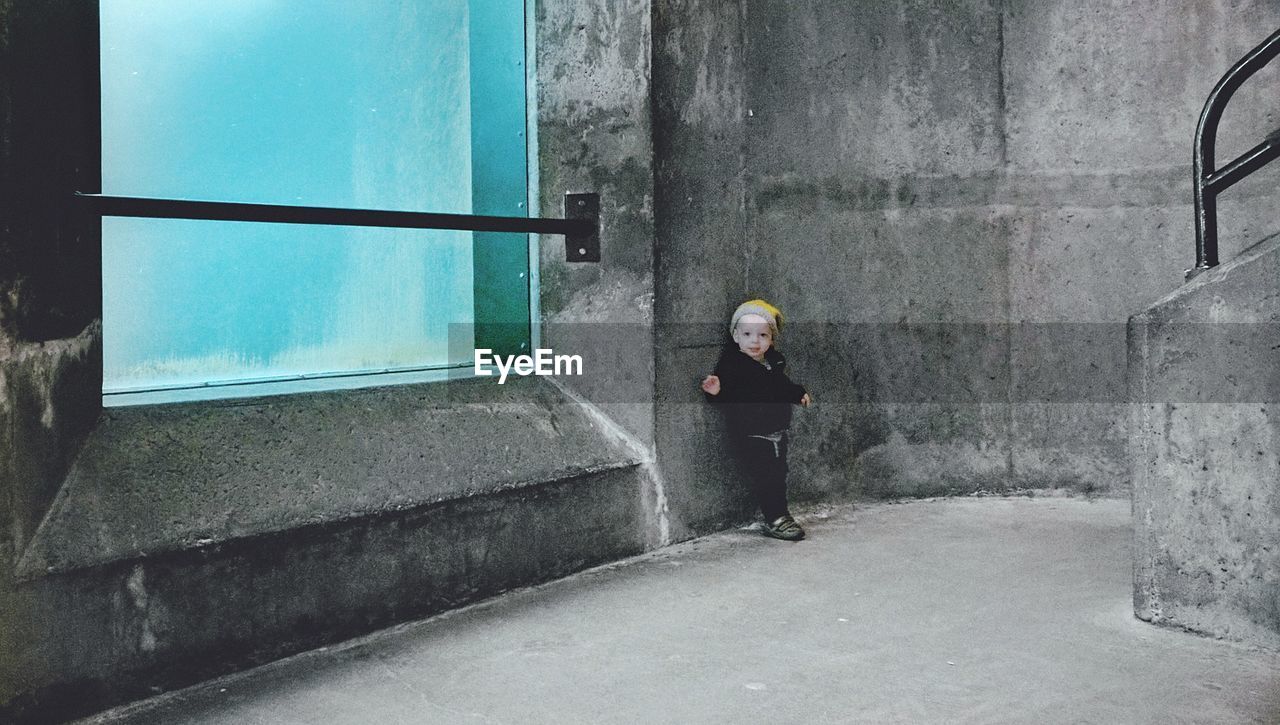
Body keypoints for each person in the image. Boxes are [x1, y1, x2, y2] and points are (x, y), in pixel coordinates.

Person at [701, 299, 812, 541]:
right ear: (736, 336)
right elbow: (731, 397)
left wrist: (797, 393)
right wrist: (717, 391)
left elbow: (782, 386)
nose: (755, 341)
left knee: (779, 473)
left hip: (777, 432)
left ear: (771, 339)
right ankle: (777, 518)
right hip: (752, 434)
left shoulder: (772, 362)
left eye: (762, 335)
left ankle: (780, 514)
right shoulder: (734, 366)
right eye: (748, 334)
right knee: (767, 476)